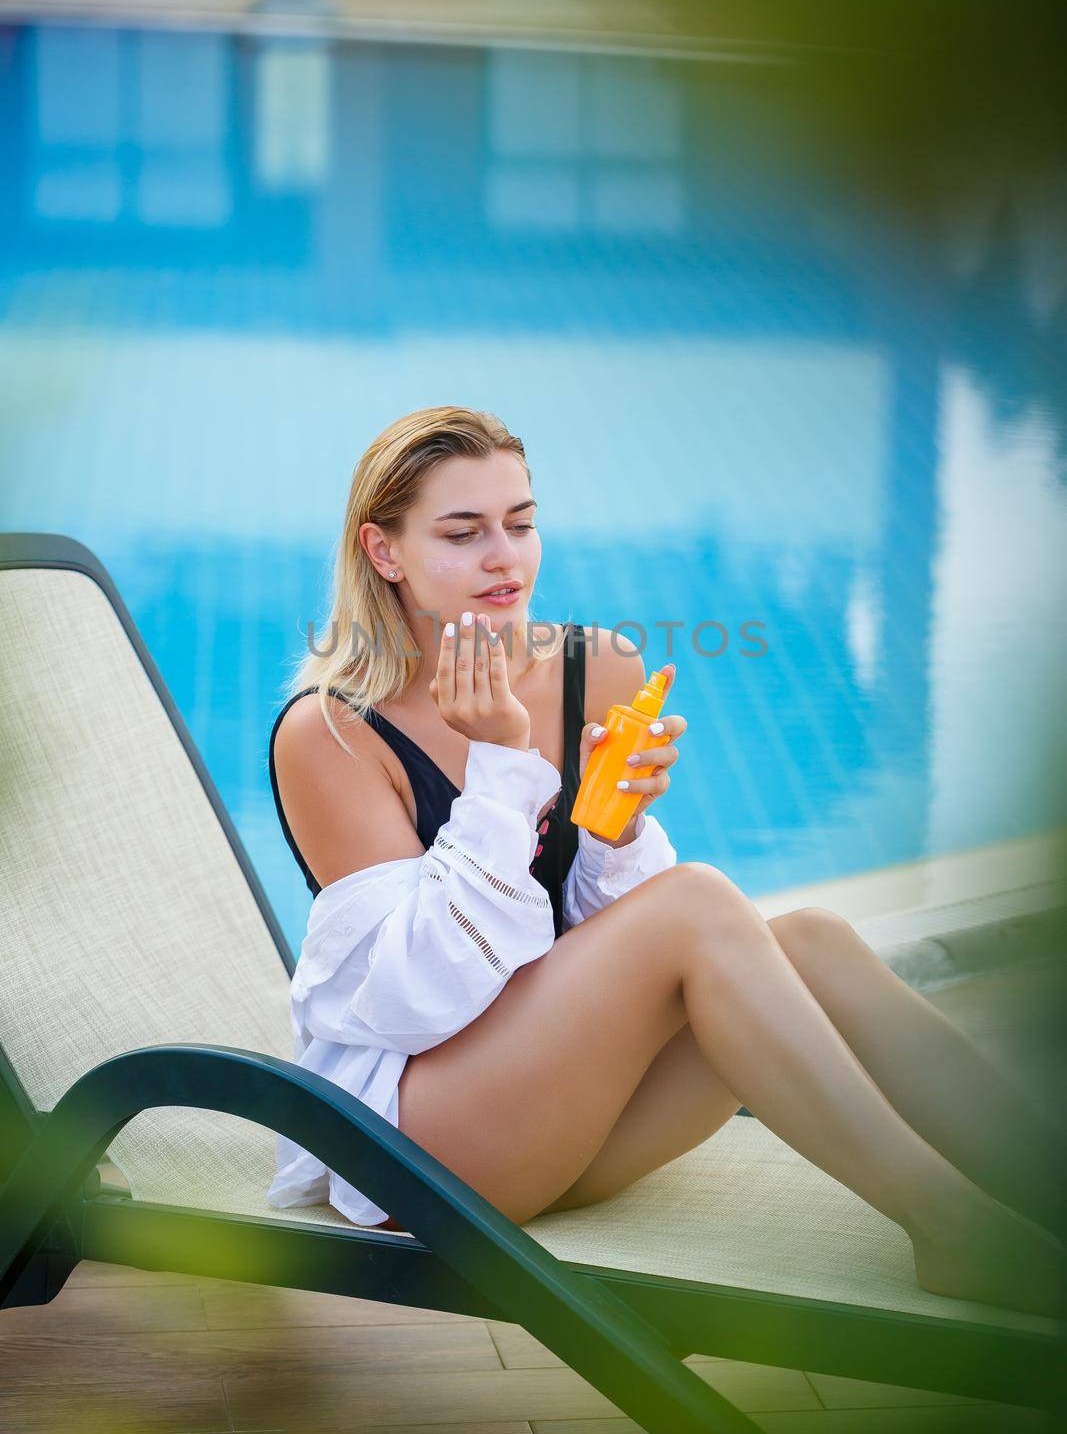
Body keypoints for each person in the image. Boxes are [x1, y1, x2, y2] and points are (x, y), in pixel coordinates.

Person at [267, 405, 1065, 1318]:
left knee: (808, 938)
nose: (505, 558)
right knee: (694, 905)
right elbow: (412, 1005)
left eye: (521, 524)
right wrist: (502, 765)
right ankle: (955, 1233)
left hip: (573, 1119)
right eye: (463, 532)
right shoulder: (329, 732)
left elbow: (618, 953)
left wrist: (614, 837)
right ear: (385, 551)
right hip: (425, 1154)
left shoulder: (591, 666)